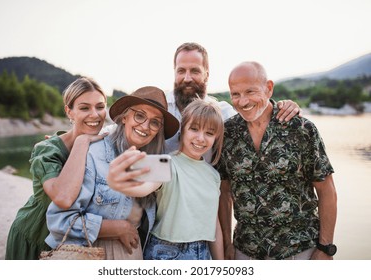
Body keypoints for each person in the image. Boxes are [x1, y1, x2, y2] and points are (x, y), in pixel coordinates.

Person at [216, 61, 338, 260]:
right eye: (235, 94)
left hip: (300, 251)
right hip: (245, 251)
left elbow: (327, 191)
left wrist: (325, 248)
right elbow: (224, 192)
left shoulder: (301, 129)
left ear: (269, 88)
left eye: (250, 91)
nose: (243, 101)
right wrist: (228, 244)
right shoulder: (227, 133)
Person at [45, 86, 180, 260]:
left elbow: (149, 192)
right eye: (140, 115)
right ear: (125, 117)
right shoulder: (94, 154)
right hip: (92, 253)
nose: (145, 126)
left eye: (155, 122)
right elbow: (59, 221)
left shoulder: (155, 162)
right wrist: (115, 228)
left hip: (134, 254)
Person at [5, 77, 109, 260]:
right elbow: (63, 198)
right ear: (69, 112)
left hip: (75, 241)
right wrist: (81, 142)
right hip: (34, 236)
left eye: (100, 107)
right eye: (84, 108)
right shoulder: (48, 150)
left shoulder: (102, 143)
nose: (95, 114)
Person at [108, 99, 225, 260]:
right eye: (194, 129)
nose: (200, 138)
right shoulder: (165, 162)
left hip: (203, 252)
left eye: (209, 133)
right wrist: (119, 184)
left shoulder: (213, 175)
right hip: (166, 252)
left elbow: (214, 224)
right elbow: (143, 188)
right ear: (182, 129)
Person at [165, 42, 302, 156]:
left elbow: (254, 115)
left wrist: (285, 106)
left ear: (206, 75)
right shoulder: (160, 106)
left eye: (195, 71)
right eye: (181, 71)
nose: (187, 78)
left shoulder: (223, 113)